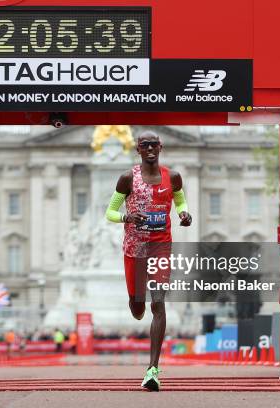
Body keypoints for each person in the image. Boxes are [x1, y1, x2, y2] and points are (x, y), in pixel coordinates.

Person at [105, 130, 192, 391]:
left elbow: (180, 200)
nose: (151, 149)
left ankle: (152, 369)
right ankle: (134, 300)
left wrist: (184, 213)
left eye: (154, 144)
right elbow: (110, 211)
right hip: (135, 248)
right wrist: (126, 218)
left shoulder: (173, 176)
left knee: (159, 302)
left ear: (161, 147)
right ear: (138, 150)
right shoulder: (126, 178)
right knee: (138, 306)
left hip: (161, 246)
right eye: (145, 145)